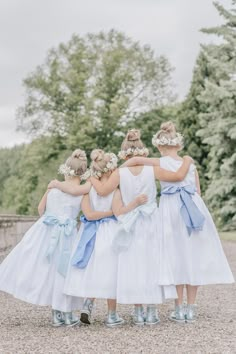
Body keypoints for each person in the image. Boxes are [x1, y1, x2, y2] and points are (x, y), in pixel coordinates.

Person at [121, 122, 235, 323]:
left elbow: (135, 160)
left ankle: (178, 307)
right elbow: (197, 191)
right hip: (193, 208)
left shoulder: (158, 163)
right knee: (192, 255)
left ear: (159, 146)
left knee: (175, 255)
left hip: (172, 209)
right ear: (179, 145)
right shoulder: (189, 163)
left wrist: (118, 168)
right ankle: (190, 308)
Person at [89, 130, 193, 325]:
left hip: (130, 222)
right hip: (151, 220)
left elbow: (103, 191)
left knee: (134, 263)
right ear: (143, 152)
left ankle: (138, 311)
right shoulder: (152, 170)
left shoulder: (119, 172)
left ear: (123, 154)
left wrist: (90, 177)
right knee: (152, 262)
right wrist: (187, 161)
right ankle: (152, 311)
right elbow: (178, 177)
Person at [50, 149, 148, 327]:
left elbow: (88, 213)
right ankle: (111, 315)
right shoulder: (116, 191)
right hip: (109, 231)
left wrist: (57, 184)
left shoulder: (89, 187)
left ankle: (87, 306)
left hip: (89, 232)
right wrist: (131, 205)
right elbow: (119, 214)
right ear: (111, 170)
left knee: (91, 269)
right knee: (111, 271)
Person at [0, 149, 91, 327]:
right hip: (67, 234)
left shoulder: (53, 188)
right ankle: (66, 312)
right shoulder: (82, 192)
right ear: (83, 172)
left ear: (66, 169)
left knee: (48, 271)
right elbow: (86, 213)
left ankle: (56, 315)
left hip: (47, 231)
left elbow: (41, 209)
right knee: (64, 273)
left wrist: (52, 214)